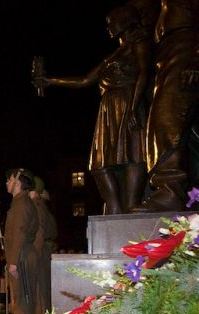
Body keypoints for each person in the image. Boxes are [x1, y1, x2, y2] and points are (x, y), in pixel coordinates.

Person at [35, 5, 151, 213]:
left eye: (111, 22)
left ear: (124, 21)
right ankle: (115, 209)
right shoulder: (116, 53)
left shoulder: (139, 42)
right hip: (108, 107)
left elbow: (144, 73)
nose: (108, 27)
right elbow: (85, 80)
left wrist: (134, 106)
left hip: (127, 101)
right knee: (100, 164)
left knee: (132, 153)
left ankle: (132, 204)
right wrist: (50, 81)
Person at [135, 0, 199, 211]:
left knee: (166, 120)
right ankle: (174, 189)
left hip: (185, 47)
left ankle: (169, 189)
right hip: (169, 50)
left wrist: (196, 57)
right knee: (177, 128)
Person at [4, 168, 39, 314]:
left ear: (17, 182)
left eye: (9, 180)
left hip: (21, 257)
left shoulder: (21, 203)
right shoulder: (20, 202)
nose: (7, 183)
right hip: (23, 255)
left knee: (21, 305)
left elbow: (19, 233)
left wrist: (13, 262)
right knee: (23, 303)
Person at [31, 177, 58, 314]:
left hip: (39, 253)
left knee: (40, 292)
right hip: (43, 252)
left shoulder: (36, 206)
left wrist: (33, 255)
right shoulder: (41, 206)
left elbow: (39, 233)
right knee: (42, 291)